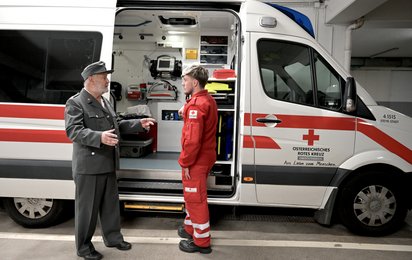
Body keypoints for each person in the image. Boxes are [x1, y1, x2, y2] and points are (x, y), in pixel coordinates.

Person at [65, 61, 155, 260]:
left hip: (108, 162)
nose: (107, 81)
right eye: (104, 77)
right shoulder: (76, 102)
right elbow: (74, 131)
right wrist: (99, 137)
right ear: (90, 79)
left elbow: (117, 124)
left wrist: (137, 123)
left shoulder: (104, 101)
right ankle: (84, 247)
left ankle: (113, 238)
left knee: (110, 206)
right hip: (89, 167)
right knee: (86, 211)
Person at [177, 65, 218, 254]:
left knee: (195, 199)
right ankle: (189, 228)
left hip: (196, 160)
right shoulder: (206, 99)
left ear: (194, 82)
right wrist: (185, 109)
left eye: (185, 80)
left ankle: (201, 242)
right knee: (192, 196)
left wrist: (185, 163)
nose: (182, 83)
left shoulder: (196, 105)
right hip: (206, 156)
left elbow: (192, 141)